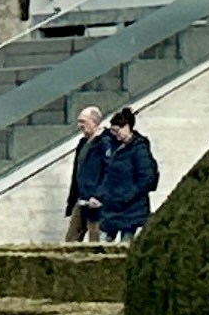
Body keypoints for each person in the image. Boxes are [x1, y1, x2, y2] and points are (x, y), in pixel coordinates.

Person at [95, 107, 160, 245]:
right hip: (112, 208)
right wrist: (100, 195)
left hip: (130, 209)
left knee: (125, 245)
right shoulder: (115, 147)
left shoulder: (139, 149)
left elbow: (147, 178)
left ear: (127, 127)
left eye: (117, 131)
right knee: (102, 244)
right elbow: (108, 175)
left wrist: (127, 196)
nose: (115, 135)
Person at [62, 105, 109, 244]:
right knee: (71, 240)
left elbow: (109, 172)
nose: (80, 125)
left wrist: (99, 195)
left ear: (95, 122)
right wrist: (71, 201)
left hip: (96, 203)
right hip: (81, 199)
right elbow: (77, 172)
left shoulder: (105, 143)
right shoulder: (82, 143)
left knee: (95, 241)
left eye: (83, 122)